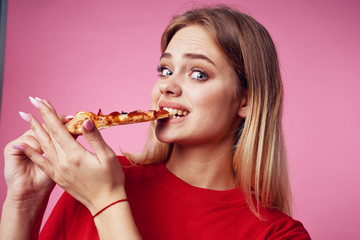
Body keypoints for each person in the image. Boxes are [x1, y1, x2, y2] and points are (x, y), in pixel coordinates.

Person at [0, 5, 311, 240]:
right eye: (165, 70)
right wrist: (24, 201)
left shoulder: (278, 234)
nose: (167, 86)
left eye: (198, 73)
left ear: (247, 100)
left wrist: (106, 202)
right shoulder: (99, 177)